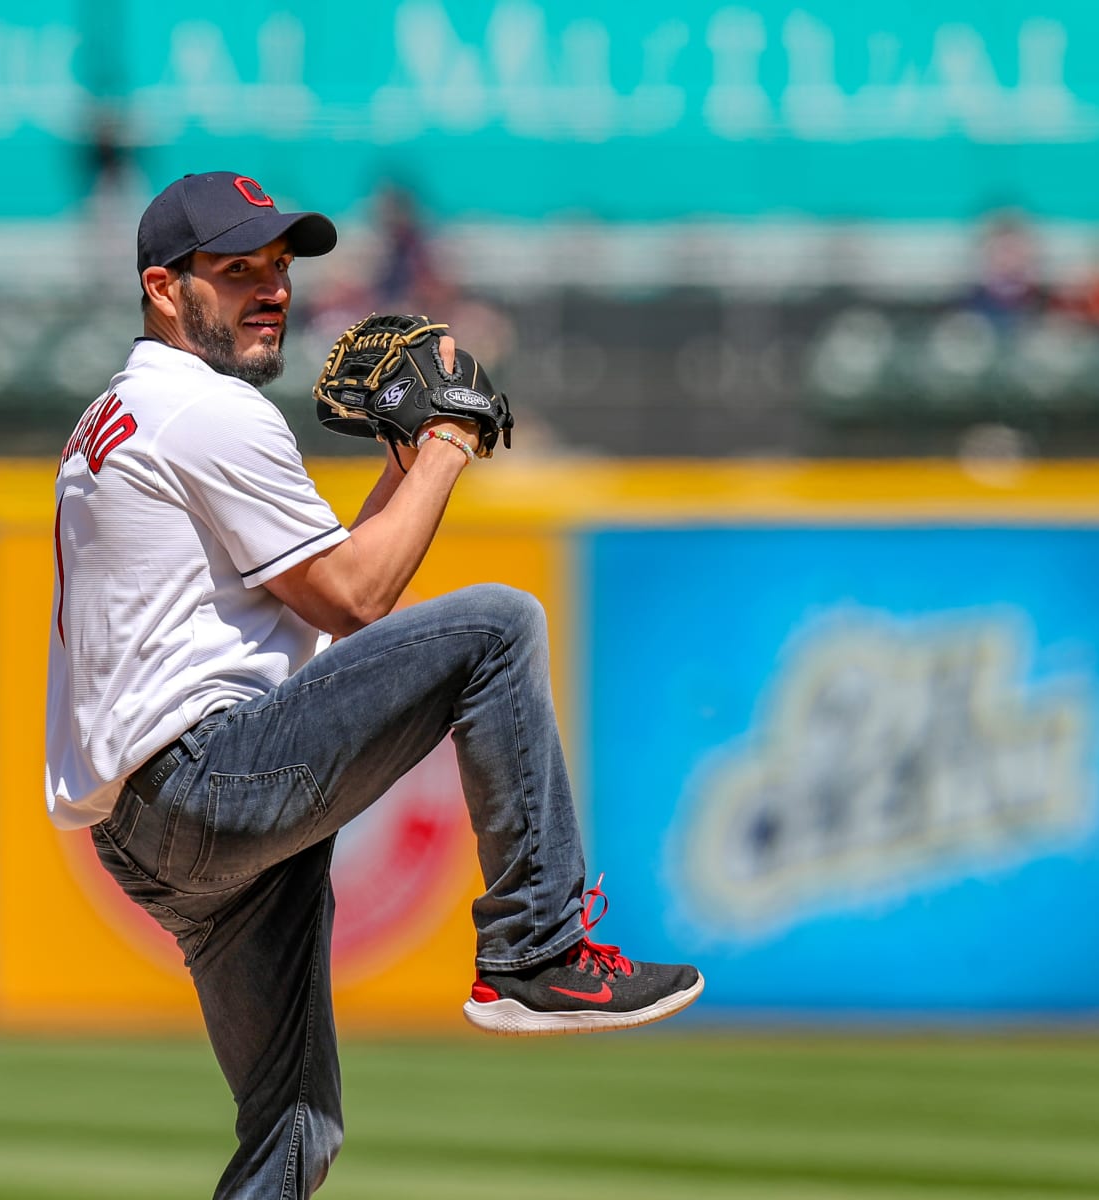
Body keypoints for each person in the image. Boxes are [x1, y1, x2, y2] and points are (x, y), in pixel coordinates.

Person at [44, 171, 702, 1200]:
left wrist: (405, 458)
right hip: (207, 780)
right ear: (165, 289)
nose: (272, 289)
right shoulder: (205, 411)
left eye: (279, 267)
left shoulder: (125, 412)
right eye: (236, 271)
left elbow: (318, 592)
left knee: (295, 1133)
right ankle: (536, 949)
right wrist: (447, 438)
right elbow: (359, 598)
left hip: (151, 826)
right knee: (498, 626)